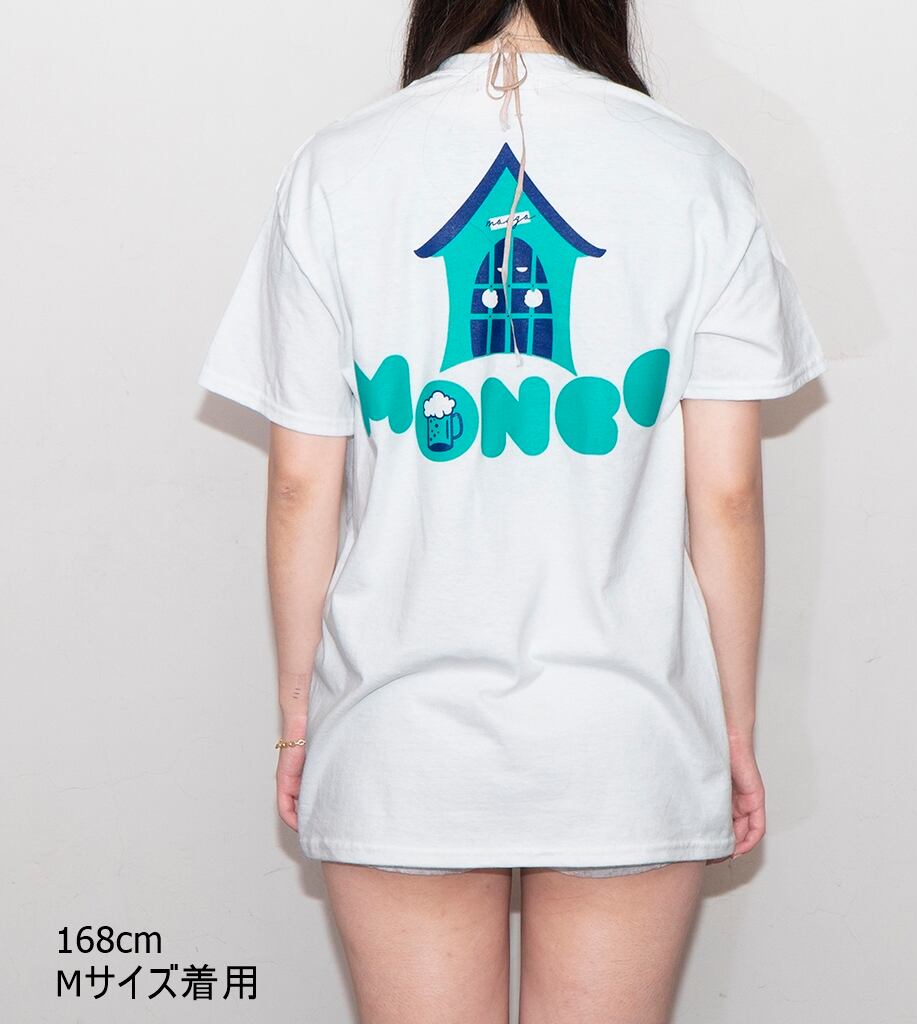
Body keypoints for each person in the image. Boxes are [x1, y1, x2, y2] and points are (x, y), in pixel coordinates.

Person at [198, 1, 828, 1020]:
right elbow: (728, 492)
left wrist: (298, 716)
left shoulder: (338, 170)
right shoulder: (693, 171)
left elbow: (299, 484)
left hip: (399, 735)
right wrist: (733, 726)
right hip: (626, 733)